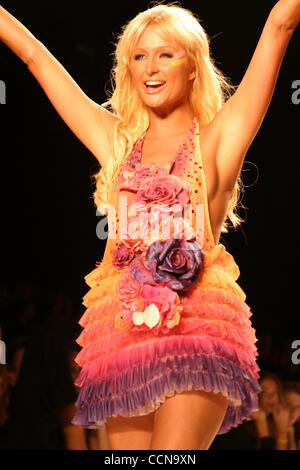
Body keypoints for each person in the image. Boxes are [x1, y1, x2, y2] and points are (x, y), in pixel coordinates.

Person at [0, 1, 299, 450]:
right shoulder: (117, 143)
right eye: (139, 56)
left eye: (166, 54)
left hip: (197, 327)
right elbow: (34, 55)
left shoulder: (217, 141)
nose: (150, 68)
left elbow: (280, 22)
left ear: (193, 67)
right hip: (122, 336)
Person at [252, 371, 296, 450]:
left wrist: (290, 435)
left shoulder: (277, 423)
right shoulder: (243, 427)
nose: (271, 397)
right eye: (264, 392)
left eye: (275, 392)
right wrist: (282, 432)